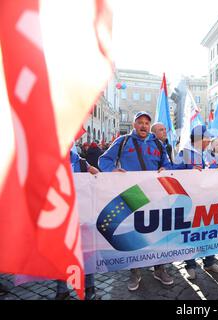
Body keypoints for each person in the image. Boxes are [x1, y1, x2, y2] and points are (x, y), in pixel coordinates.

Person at [99, 111, 173, 290]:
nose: (143, 126)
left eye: (147, 123)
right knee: (135, 232)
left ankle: (159, 267)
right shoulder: (123, 141)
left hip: (156, 193)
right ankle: (135, 270)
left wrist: (165, 167)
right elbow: (104, 160)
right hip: (133, 194)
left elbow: (168, 164)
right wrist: (112, 171)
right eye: (140, 122)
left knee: (157, 230)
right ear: (134, 124)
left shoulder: (157, 143)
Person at [173, 125, 218, 280]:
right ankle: (190, 265)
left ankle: (209, 262)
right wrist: (189, 172)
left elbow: (213, 167)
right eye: (205, 139)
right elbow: (173, 172)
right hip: (190, 202)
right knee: (190, 234)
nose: (208, 141)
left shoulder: (207, 154)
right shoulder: (184, 153)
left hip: (207, 201)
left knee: (209, 231)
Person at [55, 148, 99, 300]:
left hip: (83, 215)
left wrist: (97, 174)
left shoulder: (81, 163)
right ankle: (62, 289)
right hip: (60, 216)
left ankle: (90, 288)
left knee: (86, 252)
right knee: (62, 253)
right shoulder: (48, 161)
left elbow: (98, 181)